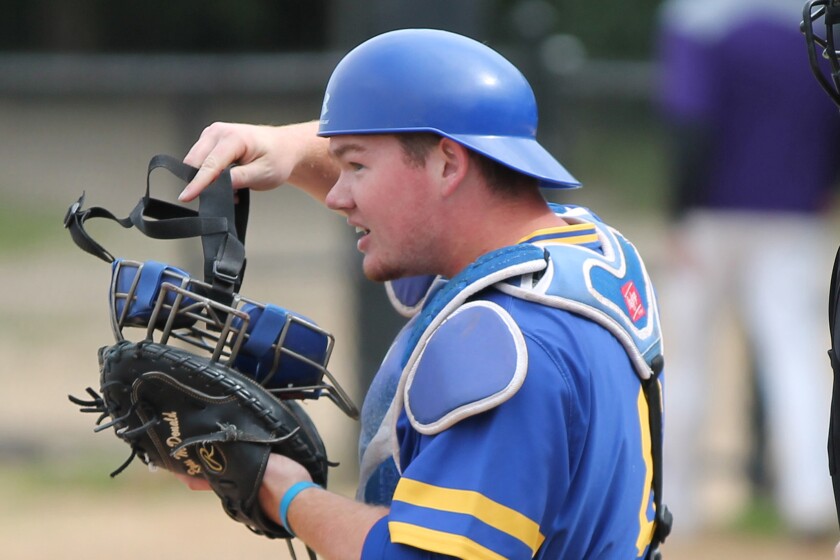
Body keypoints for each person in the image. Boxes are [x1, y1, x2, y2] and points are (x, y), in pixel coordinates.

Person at [178, 28, 669, 559]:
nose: (337, 195)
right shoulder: (585, 250)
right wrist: (292, 148)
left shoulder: (504, 343)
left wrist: (282, 490)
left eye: (356, 165)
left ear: (450, 164)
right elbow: (409, 190)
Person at [656, 0, 840, 537]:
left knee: (687, 360)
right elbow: (833, 108)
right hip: (791, 213)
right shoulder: (810, 17)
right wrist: (822, 186)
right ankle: (813, 498)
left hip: (709, 216)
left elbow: (690, 116)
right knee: (796, 360)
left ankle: (673, 503)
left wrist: (678, 212)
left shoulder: (696, 18)